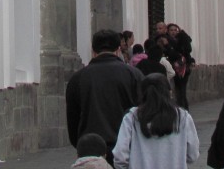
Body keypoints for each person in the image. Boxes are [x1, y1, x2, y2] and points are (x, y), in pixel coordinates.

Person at [66, 29, 145, 160]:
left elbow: (73, 119)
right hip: (127, 147)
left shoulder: (78, 78)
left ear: (93, 51)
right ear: (118, 49)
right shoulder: (134, 75)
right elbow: (143, 110)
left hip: (91, 148)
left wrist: (81, 143)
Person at [112, 73, 200, 169]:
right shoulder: (183, 118)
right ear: (169, 93)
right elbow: (193, 155)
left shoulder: (132, 118)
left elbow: (120, 157)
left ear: (142, 93)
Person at [166, 23, 195, 110]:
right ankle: (181, 108)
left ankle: (183, 109)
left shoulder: (182, 39)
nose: (173, 32)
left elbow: (187, 51)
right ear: (168, 31)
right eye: (171, 30)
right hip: (173, 67)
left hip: (183, 68)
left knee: (181, 90)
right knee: (178, 90)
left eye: (175, 30)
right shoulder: (167, 40)